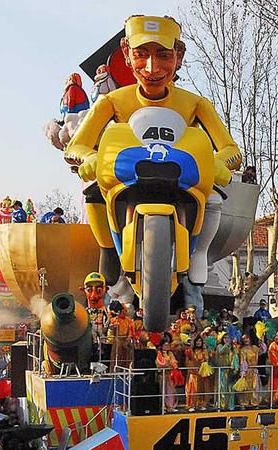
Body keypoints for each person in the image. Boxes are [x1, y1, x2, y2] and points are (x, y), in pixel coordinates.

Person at [64, 15, 242, 288]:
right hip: (128, 171)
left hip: (181, 172)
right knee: (93, 191)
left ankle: (198, 253)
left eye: (163, 55)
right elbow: (77, 144)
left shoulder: (195, 104)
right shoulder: (112, 101)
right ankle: (108, 249)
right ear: (126, 54)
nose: (152, 67)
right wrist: (89, 157)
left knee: (213, 198)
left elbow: (231, 149)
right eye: (141, 54)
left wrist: (218, 163)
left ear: (178, 56)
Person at [237, 334, 264, 407]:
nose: (246, 340)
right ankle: (244, 403)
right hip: (247, 371)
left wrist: (261, 341)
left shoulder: (254, 347)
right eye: (244, 339)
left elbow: (262, 350)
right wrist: (243, 372)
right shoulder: (243, 350)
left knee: (255, 387)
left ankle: (255, 403)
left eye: (247, 338)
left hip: (254, 370)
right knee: (247, 388)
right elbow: (243, 361)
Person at [185, 336, 211, 410]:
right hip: (193, 373)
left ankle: (201, 404)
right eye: (197, 341)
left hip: (202, 373)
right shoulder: (190, 351)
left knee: (202, 388)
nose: (198, 342)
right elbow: (187, 362)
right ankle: (192, 405)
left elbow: (206, 360)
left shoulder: (204, 351)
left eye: (200, 341)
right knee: (193, 389)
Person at [107, 300, 135, 369]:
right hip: (117, 341)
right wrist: (112, 327)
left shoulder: (129, 320)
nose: (122, 312)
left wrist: (128, 339)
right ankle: (114, 371)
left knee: (127, 358)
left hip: (126, 341)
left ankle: (127, 371)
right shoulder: (114, 320)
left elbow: (131, 332)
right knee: (116, 358)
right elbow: (111, 330)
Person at [213, 334, 237, 410]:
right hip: (222, 371)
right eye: (225, 338)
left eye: (228, 338)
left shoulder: (233, 348)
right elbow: (221, 351)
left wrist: (235, 368)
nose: (226, 339)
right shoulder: (219, 346)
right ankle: (222, 405)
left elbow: (235, 357)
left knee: (231, 388)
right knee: (222, 388)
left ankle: (230, 406)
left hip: (230, 370)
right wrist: (227, 345)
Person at [156, 339, 178, 412]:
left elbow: (174, 362)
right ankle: (163, 407)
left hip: (169, 375)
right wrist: (168, 364)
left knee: (170, 391)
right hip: (162, 375)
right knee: (162, 391)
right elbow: (160, 364)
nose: (167, 346)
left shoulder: (170, 353)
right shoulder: (159, 353)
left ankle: (170, 407)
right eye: (165, 345)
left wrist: (172, 365)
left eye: (168, 345)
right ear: (161, 346)